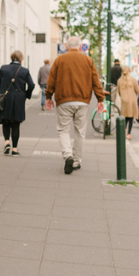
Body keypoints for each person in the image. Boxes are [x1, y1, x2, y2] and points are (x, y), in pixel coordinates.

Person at [45, 36, 104, 175]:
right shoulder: (88, 60)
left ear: (66, 46)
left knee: (63, 130)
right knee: (80, 132)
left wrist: (48, 96)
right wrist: (100, 99)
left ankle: (68, 155)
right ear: (80, 46)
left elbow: (51, 80)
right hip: (82, 101)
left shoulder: (59, 60)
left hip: (64, 101)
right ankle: (76, 161)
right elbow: (96, 81)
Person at [0, 50, 35, 156]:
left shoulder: (4, 68)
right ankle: (15, 149)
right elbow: (31, 85)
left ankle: (7, 142)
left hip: (5, 98)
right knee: (16, 123)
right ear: (21, 59)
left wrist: (0, 92)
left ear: (11, 58)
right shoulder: (24, 71)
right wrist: (26, 95)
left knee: (6, 121)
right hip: (18, 99)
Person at [117, 66, 139, 140]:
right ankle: (129, 134)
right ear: (129, 71)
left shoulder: (119, 81)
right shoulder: (133, 80)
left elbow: (119, 92)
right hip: (132, 100)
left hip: (124, 100)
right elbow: (138, 90)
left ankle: (123, 130)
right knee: (131, 117)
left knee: (124, 116)